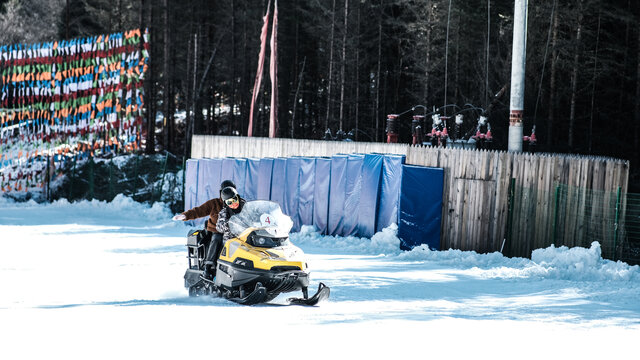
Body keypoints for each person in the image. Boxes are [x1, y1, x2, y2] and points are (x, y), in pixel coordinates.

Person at [172, 179, 236, 279]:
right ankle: (209, 266)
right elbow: (199, 211)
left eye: (231, 191)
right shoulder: (214, 203)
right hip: (216, 231)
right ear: (221, 192)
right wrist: (185, 216)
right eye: (225, 191)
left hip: (235, 233)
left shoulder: (237, 204)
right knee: (217, 239)